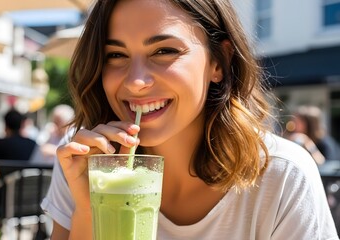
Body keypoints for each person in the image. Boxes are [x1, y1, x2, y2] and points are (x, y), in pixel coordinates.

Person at [41, 0, 338, 239]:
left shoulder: (283, 175)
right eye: (116, 55)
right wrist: (90, 209)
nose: (135, 82)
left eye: (164, 51)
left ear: (218, 63)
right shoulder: (83, 159)